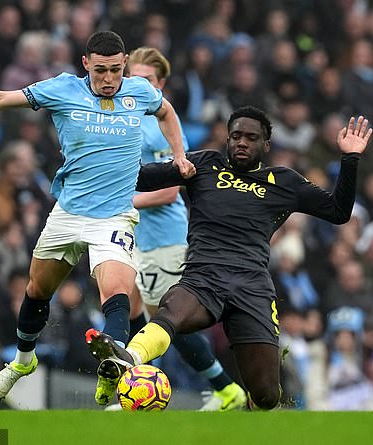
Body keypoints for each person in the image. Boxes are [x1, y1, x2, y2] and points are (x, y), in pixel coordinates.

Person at [0, 30, 195, 402]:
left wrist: (179, 155)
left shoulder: (140, 91)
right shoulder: (63, 89)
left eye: (114, 70)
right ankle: (23, 360)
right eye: (100, 71)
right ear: (85, 64)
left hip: (114, 217)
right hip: (68, 212)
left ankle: (118, 364)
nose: (108, 80)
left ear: (124, 64)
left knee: (118, 290)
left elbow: (167, 112)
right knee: (37, 290)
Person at [86, 107, 372, 410]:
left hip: (252, 286)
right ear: (228, 138)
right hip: (203, 276)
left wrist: (350, 159)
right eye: (236, 136)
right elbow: (141, 178)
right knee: (170, 312)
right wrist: (109, 148)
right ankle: (127, 358)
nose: (242, 143)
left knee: (266, 395)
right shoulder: (204, 164)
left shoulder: (284, 182)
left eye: (251, 137)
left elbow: (339, 212)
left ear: (266, 145)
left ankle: (247, 415)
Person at [117, 46, 246, 410]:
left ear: (160, 85)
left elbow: (170, 191)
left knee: (166, 323)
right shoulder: (127, 119)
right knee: (134, 312)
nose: (135, 85)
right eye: (132, 78)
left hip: (165, 241)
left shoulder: (161, 127)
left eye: (144, 80)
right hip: (135, 238)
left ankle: (225, 389)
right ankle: (138, 390)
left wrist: (119, 203)